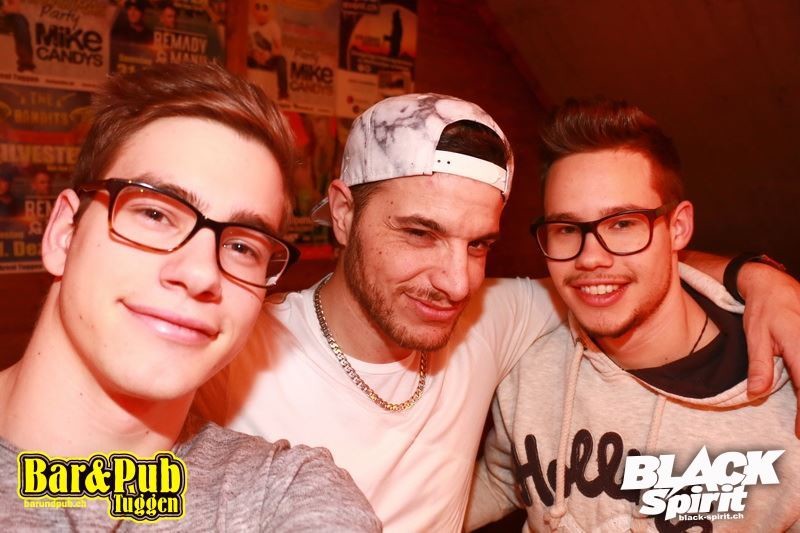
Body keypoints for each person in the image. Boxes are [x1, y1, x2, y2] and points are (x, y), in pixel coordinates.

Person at [197, 93, 800, 532]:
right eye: (420, 233)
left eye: (479, 244)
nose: (456, 282)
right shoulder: (230, 349)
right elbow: (133, 485)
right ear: (344, 213)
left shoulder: (495, 319)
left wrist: (759, 277)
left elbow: (607, 272)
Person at [0, 62, 380, 531]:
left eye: (242, 247)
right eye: (155, 214)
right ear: (64, 234)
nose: (201, 273)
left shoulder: (284, 494)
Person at [467, 99, 800, 531]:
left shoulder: (782, 396)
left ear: (678, 228)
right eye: (567, 229)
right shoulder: (531, 354)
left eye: (622, 223)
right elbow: (506, 479)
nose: (591, 258)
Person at [247, 1, 289, 101]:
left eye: (264, 8)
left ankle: (283, 94)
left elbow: (279, 49)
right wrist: (253, 54)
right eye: (258, 8)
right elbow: (244, 48)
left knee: (281, 60)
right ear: (253, 11)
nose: (261, 12)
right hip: (254, 59)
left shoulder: (273, 26)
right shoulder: (249, 27)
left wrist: (269, 55)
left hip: (269, 59)